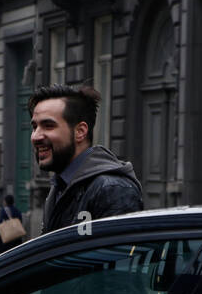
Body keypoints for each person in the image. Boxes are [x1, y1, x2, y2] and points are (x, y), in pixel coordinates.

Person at [30, 84, 143, 236]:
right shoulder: (59, 188)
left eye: (48, 126)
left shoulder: (112, 190)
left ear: (80, 132)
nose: (35, 136)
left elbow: (120, 257)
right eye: (34, 127)